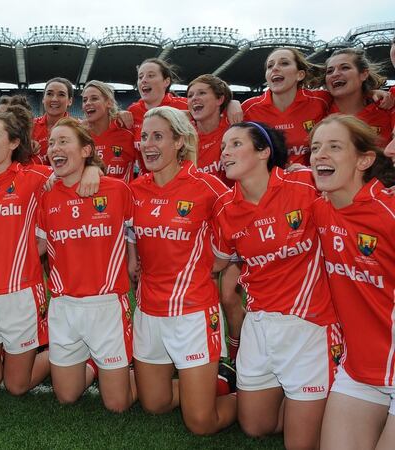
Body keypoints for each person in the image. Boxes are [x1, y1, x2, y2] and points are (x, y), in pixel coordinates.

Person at [212, 121, 341, 448]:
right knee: (255, 427)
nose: (225, 151)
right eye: (223, 146)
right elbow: (217, 262)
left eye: (236, 144)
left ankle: (333, 401)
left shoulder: (305, 183)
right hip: (260, 326)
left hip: (310, 326)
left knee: (300, 444)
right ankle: (305, 404)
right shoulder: (225, 208)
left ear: (264, 151)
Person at [0, 105, 101, 396]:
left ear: (13, 143)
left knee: (16, 386)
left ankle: (81, 354)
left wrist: (93, 169)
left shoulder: (35, 178)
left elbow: (72, 169)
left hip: (19, 295)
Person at [129, 106, 236, 434]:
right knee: (154, 404)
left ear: (179, 142)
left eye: (158, 136)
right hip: (148, 311)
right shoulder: (134, 190)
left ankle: (254, 393)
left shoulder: (207, 186)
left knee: (201, 423)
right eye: (144, 136)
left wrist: (223, 259)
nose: (148, 144)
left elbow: (240, 219)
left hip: (193, 313)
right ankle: (209, 384)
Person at [309, 115, 395, 450]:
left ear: (364, 159)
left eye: (333, 146)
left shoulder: (388, 213)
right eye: (315, 148)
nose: (320, 155)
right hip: (359, 369)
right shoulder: (319, 209)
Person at [37, 118, 134, 412]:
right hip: (64, 306)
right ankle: (94, 362)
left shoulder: (117, 190)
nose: (55, 148)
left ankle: (144, 374)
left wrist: (133, 260)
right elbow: (37, 247)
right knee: (66, 396)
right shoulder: (47, 195)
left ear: (86, 150)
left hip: (106, 307)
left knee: (117, 405)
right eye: (51, 143)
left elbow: (135, 233)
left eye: (64, 141)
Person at [186, 74, 244, 362]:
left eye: (202, 94)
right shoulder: (185, 135)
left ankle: (236, 355)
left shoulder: (234, 128)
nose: (194, 99)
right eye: (190, 94)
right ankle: (192, 351)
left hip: (234, 225)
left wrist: (234, 102)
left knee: (229, 296)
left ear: (220, 99)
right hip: (196, 228)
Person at [242, 48, 330, 167]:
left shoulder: (321, 101)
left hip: (313, 181)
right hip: (269, 183)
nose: (275, 68)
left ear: (300, 75)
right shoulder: (248, 108)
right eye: (270, 66)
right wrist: (230, 103)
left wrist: (307, 170)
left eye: (284, 63)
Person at [324, 48, 394, 146]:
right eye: (329, 71)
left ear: (364, 74)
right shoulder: (318, 110)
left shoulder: (386, 109)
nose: (335, 74)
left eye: (345, 68)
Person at [82, 80, 136, 181]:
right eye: (84, 100)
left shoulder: (127, 131)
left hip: (121, 195)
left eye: (94, 98)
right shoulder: (80, 135)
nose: (88, 103)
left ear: (109, 103)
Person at [33, 78, 74, 164]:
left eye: (61, 95)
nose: (54, 99)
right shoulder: (29, 127)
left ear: (70, 101)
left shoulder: (78, 129)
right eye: (49, 94)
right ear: (43, 99)